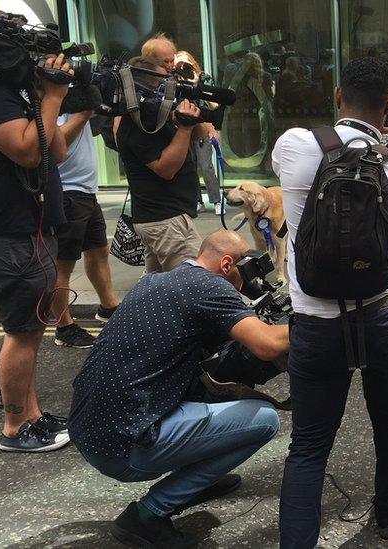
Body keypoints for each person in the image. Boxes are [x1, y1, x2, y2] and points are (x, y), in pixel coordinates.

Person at [272, 57, 388, 547]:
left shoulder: (295, 146)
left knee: (308, 445)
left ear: (339, 94)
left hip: (316, 319)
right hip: (383, 313)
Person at [68, 230, 287, 548]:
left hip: (90, 430)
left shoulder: (156, 281)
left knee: (209, 395)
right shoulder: (211, 286)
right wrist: (319, 323)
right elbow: (267, 345)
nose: (250, 284)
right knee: (264, 420)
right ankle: (147, 515)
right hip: (123, 447)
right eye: (249, 271)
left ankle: (196, 480)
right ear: (226, 263)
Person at [0, 54, 72, 452]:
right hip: (7, 238)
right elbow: (27, 151)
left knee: (31, 331)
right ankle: (14, 427)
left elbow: (54, 152)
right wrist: (54, 96)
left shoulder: (16, 94)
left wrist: (47, 97)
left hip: (29, 233)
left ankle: (33, 415)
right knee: (21, 335)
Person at [116, 56, 208, 273]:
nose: (168, 87)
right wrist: (184, 129)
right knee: (190, 285)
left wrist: (189, 113)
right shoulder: (138, 121)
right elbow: (165, 168)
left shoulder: (157, 113)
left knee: (158, 288)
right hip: (166, 220)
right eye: (162, 83)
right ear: (144, 86)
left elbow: (201, 133)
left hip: (164, 219)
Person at [48, 110, 121, 349]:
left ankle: (108, 307)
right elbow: (53, 142)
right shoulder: (53, 101)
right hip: (66, 191)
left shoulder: (77, 97)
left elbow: (97, 132)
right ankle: (64, 327)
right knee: (62, 264)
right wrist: (81, 116)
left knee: (99, 251)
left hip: (86, 190)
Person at [174, 50, 224, 215]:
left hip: (202, 129)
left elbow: (215, 106)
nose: (182, 67)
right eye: (178, 64)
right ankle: (196, 200)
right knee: (189, 167)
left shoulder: (202, 77)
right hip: (183, 131)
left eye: (185, 63)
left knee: (206, 166)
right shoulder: (174, 81)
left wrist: (196, 82)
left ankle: (216, 200)